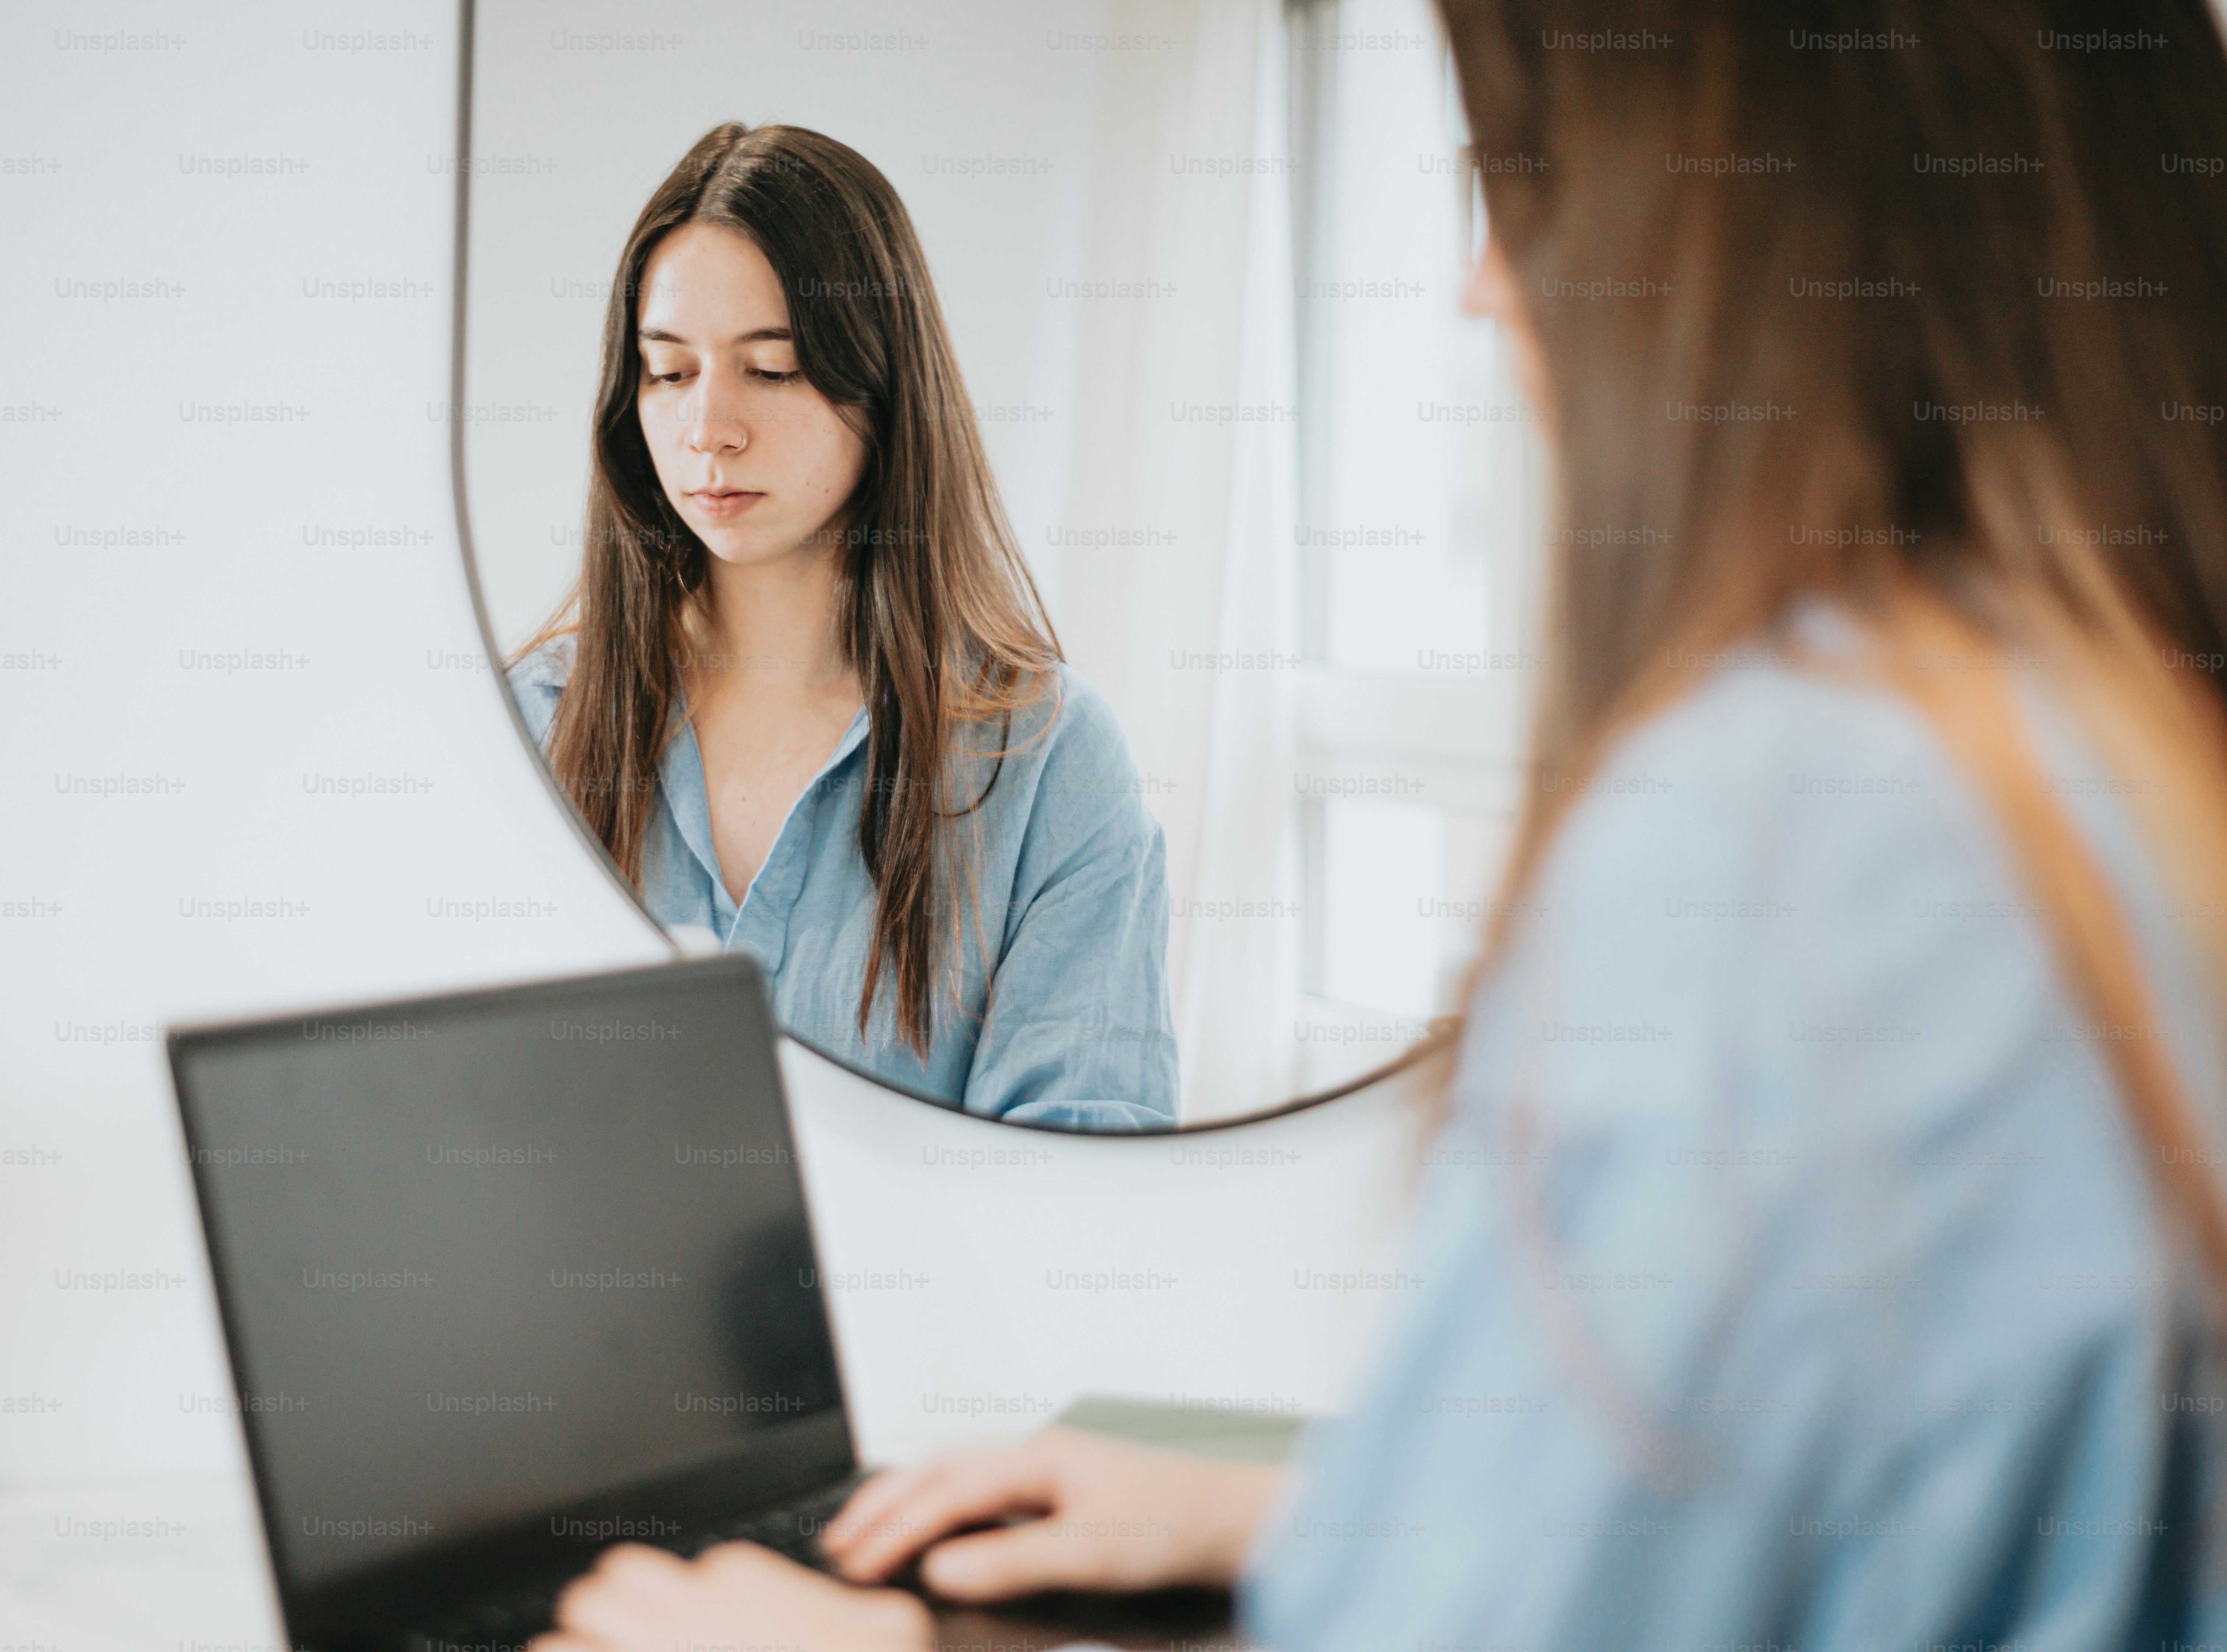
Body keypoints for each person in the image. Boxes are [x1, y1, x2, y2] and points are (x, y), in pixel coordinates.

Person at [525, 1, 2227, 1646]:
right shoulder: (2103, 772)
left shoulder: (1795, 839)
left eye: (1532, 174)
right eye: (666, 372)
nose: (1489, 280)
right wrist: (1324, 1509)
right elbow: (1823, 1505)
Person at [508, 123, 1176, 1131]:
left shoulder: (1046, 761)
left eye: (770, 369)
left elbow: (1075, 1199)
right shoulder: (531, 726)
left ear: (885, 383)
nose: (708, 430)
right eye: (669, 371)